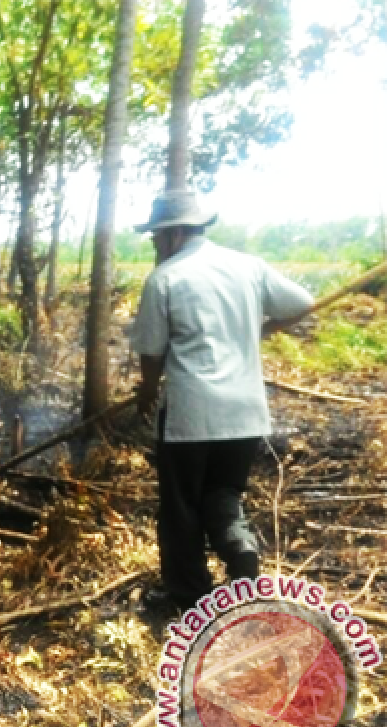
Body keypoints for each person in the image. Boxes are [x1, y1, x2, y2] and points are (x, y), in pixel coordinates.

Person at [129, 190, 313, 611]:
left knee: (180, 507)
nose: (156, 245)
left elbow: (152, 353)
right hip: (246, 413)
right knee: (224, 494)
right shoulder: (248, 267)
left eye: (157, 237)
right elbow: (302, 303)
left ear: (174, 233)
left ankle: (188, 597)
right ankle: (240, 551)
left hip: (190, 416)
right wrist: (260, 329)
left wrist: (145, 393)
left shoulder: (166, 279)